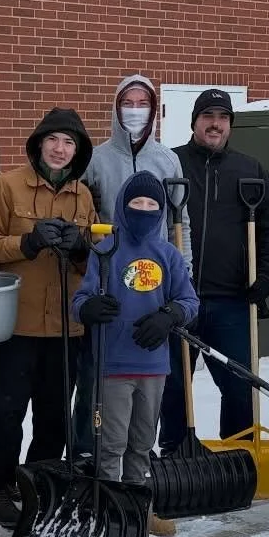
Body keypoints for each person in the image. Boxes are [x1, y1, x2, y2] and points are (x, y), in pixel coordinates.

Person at [0, 108, 97, 528]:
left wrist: (81, 247)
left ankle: (38, 483)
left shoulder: (83, 195)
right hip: (16, 324)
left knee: (54, 415)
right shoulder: (7, 187)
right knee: (5, 412)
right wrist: (27, 242)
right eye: (53, 141)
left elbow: (91, 264)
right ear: (38, 144)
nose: (60, 150)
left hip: (65, 325)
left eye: (69, 143)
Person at [159, 88, 269, 450]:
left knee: (240, 384)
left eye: (223, 118)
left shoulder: (250, 169)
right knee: (175, 384)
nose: (216, 124)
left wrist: (265, 277)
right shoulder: (171, 163)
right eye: (208, 116)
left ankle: (237, 451)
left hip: (232, 299)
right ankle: (176, 454)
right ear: (194, 121)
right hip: (180, 297)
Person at [73, 172, 198, 518]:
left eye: (151, 204)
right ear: (122, 206)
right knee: (111, 443)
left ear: (160, 211)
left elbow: (190, 301)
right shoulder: (106, 250)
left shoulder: (168, 254)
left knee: (143, 442)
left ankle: (137, 510)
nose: (143, 210)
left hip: (154, 367)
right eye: (136, 203)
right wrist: (87, 308)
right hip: (112, 364)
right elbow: (80, 299)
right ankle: (110, 510)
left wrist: (170, 314)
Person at [78, 74, 188, 455]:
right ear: (116, 107)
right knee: (100, 380)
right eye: (129, 102)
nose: (135, 110)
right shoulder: (97, 158)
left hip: (155, 280)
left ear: (154, 111)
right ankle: (91, 452)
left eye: (143, 103)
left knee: (151, 376)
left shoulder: (167, 159)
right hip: (110, 274)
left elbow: (180, 222)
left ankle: (141, 456)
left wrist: (181, 276)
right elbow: (84, 210)